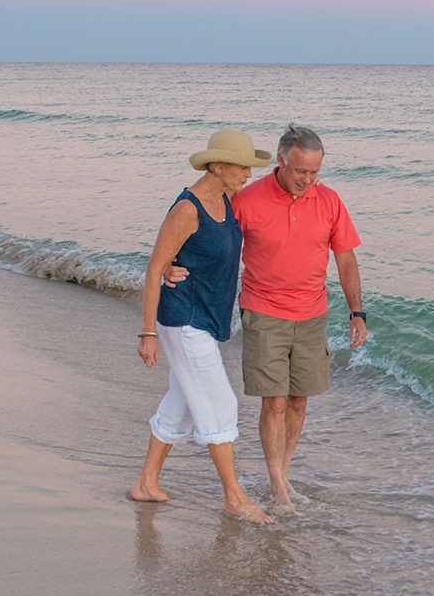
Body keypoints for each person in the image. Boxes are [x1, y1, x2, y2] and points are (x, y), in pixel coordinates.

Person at [166, 124, 367, 518]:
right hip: (263, 310)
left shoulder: (329, 200)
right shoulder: (247, 198)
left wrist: (356, 311)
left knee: (298, 399)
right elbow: (204, 225)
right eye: (300, 172)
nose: (308, 181)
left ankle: (284, 472)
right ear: (280, 161)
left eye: (314, 173)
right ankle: (277, 484)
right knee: (274, 400)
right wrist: (171, 265)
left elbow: (345, 257)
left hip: (312, 313)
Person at [130, 128, 276, 525]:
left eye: (251, 166)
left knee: (180, 406)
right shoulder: (187, 210)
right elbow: (154, 270)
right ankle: (234, 497)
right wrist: (146, 333)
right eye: (242, 166)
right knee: (220, 406)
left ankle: (146, 483)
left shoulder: (227, 199)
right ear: (217, 165)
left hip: (207, 319)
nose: (248, 173)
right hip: (184, 319)